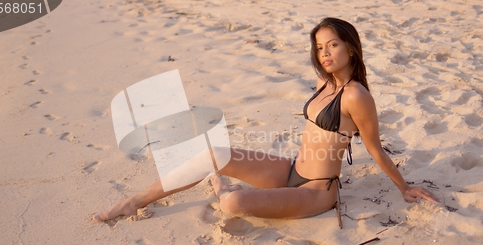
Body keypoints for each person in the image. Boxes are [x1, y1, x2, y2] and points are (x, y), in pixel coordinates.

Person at [93, 17, 439, 225]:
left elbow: (375, 150)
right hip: (289, 170)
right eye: (320, 47)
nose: (326, 53)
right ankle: (134, 201)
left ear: (351, 47)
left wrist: (404, 187)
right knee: (212, 154)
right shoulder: (325, 81)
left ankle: (226, 190)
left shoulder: (356, 96)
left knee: (231, 203)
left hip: (317, 191)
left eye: (333, 45)